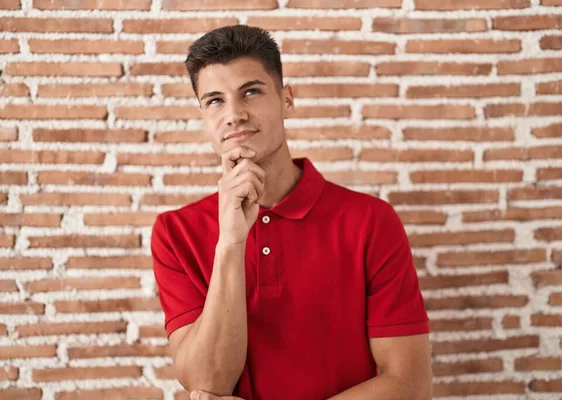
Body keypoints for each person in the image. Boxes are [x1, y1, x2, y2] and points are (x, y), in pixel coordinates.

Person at [151, 24, 432, 400]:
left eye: (250, 92)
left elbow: (409, 385)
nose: (233, 114)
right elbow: (208, 383)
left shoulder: (371, 222)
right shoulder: (174, 232)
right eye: (214, 100)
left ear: (287, 99)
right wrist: (231, 242)